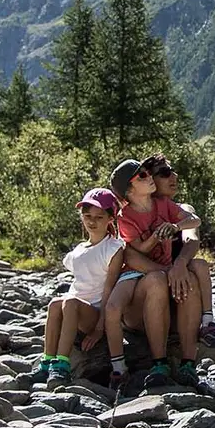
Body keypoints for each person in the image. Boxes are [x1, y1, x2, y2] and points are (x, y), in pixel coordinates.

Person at [97, 153, 205, 386]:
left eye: (171, 171)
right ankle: (158, 363)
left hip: (172, 294)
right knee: (157, 280)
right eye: (163, 173)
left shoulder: (171, 207)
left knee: (190, 275)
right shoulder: (126, 217)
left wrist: (179, 264)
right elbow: (131, 254)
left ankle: (189, 363)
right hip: (143, 297)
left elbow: (192, 235)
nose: (173, 177)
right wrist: (169, 269)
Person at [37, 188, 122, 385]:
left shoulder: (113, 248)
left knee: (70, 303)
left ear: (111, 218)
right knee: (55, 303)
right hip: (72, 308)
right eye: (87, 216)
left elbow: (109, 289)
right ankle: (46, 362)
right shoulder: (78, 250)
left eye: (99, 217)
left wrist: (99, 328)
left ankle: (62, 365)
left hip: (94, 313)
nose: (92, 221)